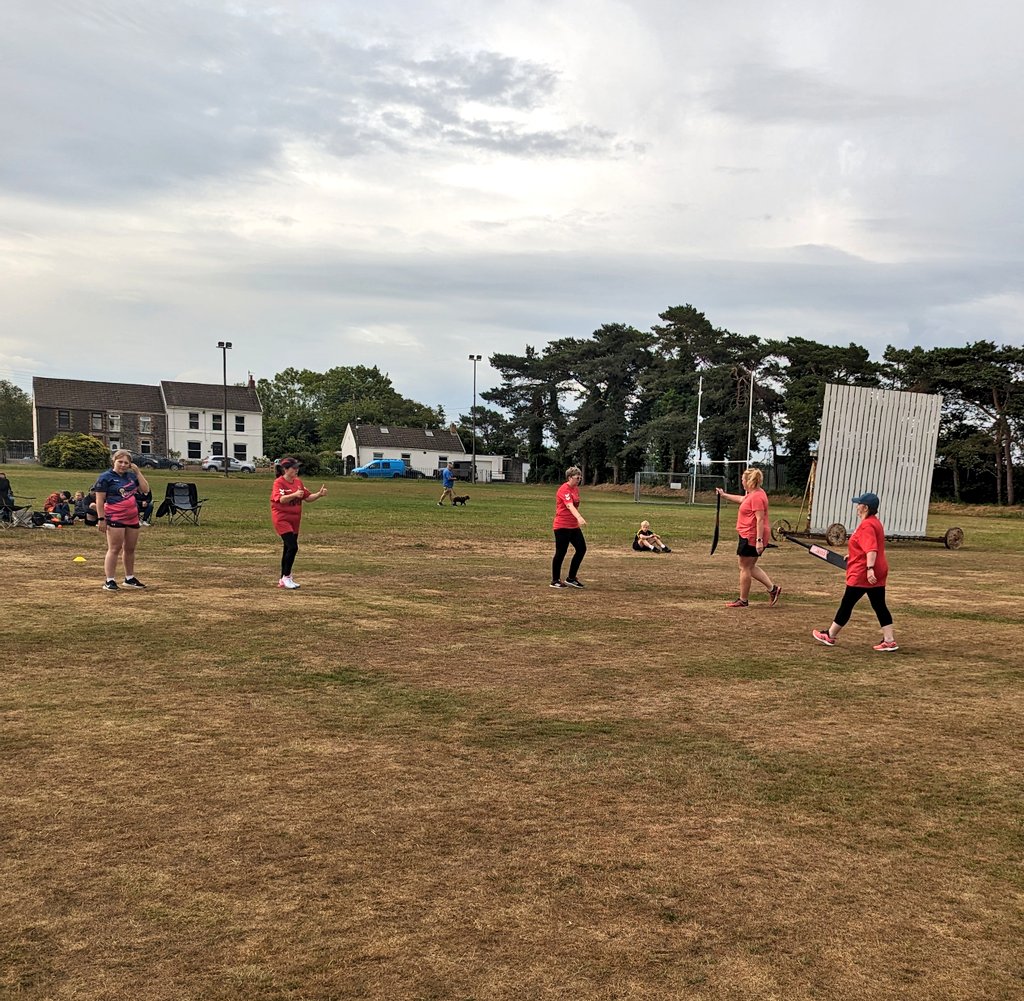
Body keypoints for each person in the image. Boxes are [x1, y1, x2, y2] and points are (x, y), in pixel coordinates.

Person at [813, 491, 899, 652]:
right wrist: (853, 555)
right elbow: (866, 547)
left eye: (859, 504)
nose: (857, 506)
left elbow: (872, 549)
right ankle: (889, 640)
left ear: (865, 507)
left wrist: (869, 569)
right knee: (879, 605)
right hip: (876, 569)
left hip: (864, 573)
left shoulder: (866, 525)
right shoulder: (874, 522)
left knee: (847, 603)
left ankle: (830, 635)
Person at [716, 468, 781, 608]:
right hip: (748, 534)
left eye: (743, 480)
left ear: (749, 481)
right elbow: (742, 499)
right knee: (750, 566)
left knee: (744, 567)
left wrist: (759, 541)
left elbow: (760, 520)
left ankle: (743, 600)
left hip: (751, 536)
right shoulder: (754, 493)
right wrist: (724, 495)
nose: (742, 482)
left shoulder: (757, 497)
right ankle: (773, 589)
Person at [94, 449, 151, 591]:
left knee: (130, 548)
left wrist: (138, 472)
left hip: (132, 517)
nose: (123, 465)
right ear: (114, 461)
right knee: (114, 548)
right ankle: (110, 580)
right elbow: (99, 500)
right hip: (114, 516)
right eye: (120, 462)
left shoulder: (131, 477)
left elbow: (145, 489)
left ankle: (129, 578)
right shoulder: (105, 477)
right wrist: (101, 519)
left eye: (126, 462)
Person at [270, 456, 327, 589]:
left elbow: (307, 497)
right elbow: (281, 499)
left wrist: (319, 494)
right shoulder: (278, 483)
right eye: (294, 468)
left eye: (297, 468)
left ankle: (283, 578)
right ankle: (287, 577)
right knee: (293, 547)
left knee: (287, 548)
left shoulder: (298, 482)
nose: (297, 470)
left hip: (295, 520)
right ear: (285, 469)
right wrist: (294, 495)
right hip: (282, 519)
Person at [550, 465, 587, 589]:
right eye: (577, 478)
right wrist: (579, 517)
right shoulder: (563, 489)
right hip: (562, 526)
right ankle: (555, 580)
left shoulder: (575, 489)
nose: (579, 480)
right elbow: (570, 506)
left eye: (580, 478)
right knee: (561, 552)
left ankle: (571, 578)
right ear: (570, 477)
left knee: (581, 549)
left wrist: (576, 520)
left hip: (573, 526)